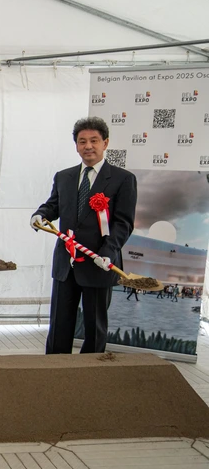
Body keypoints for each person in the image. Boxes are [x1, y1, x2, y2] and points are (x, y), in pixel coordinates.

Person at [31, 116, 137, 354]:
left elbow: (123, 223)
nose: (88, 146)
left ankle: (91, 376)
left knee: (95, 327)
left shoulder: (123, 179)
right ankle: (56, 372)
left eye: (94, 140)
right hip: (65, 265)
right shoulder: (63, 176)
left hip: (99, 263)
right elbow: (53, 206)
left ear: (105, 143)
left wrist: (107, 252)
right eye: (82, 141)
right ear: (76, 145)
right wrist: (40, 215)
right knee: (59, 325)